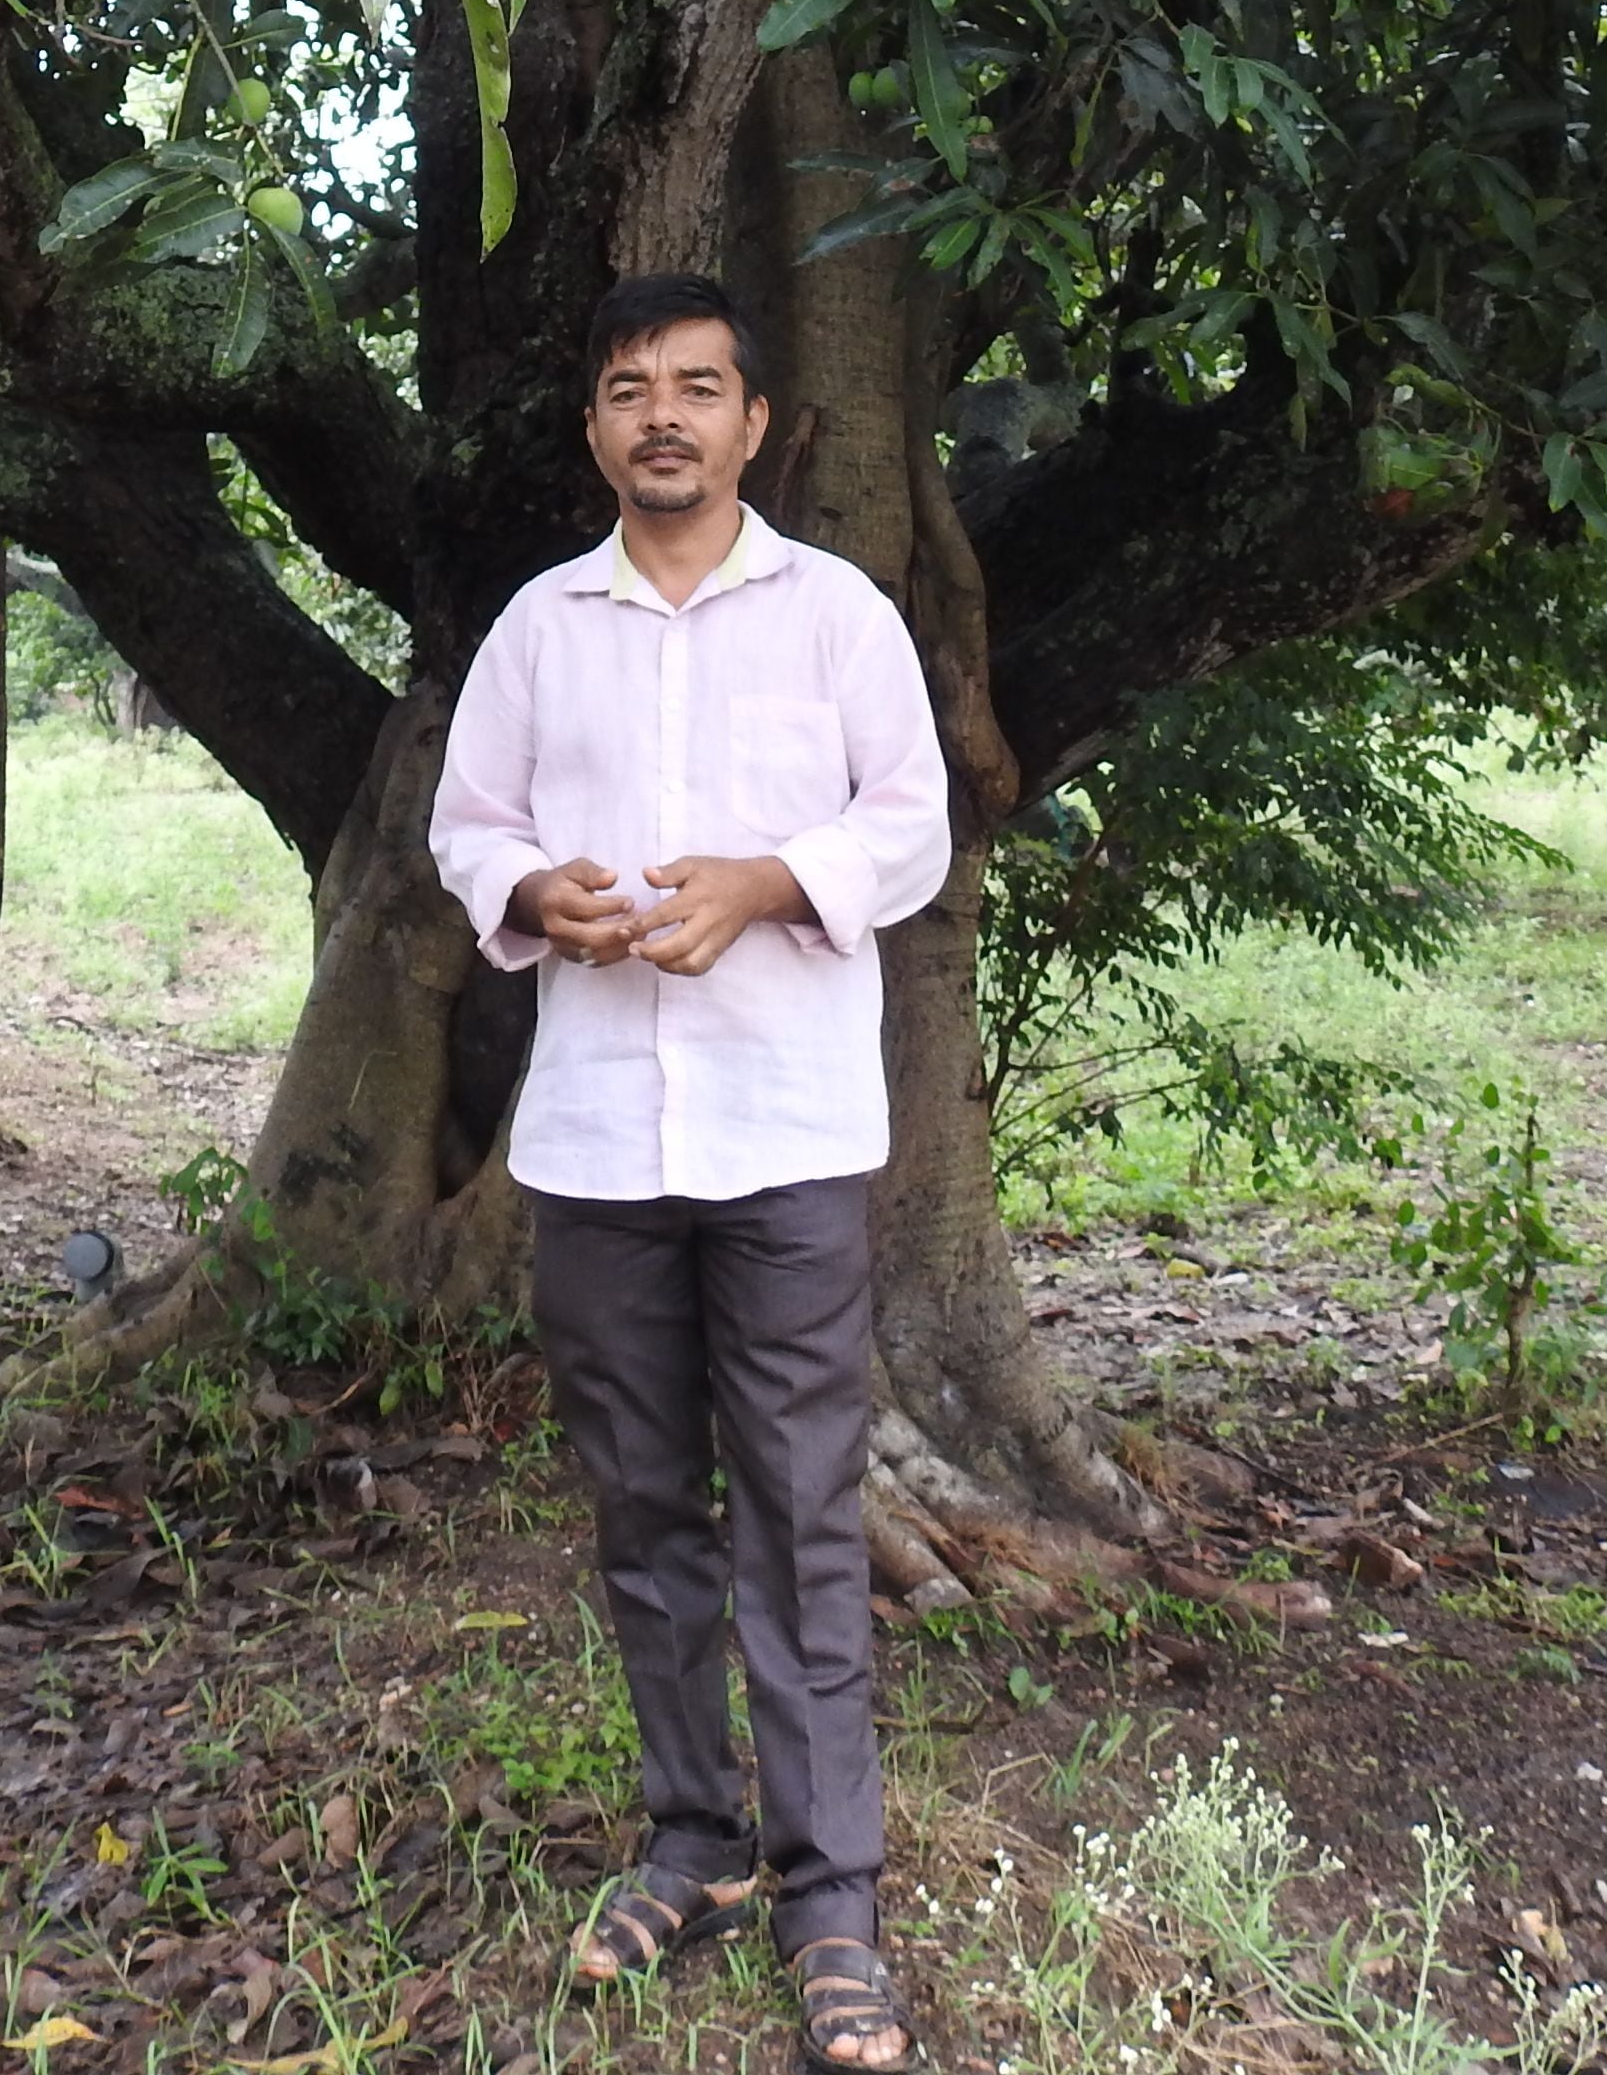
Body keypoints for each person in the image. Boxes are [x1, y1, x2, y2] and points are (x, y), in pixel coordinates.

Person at [429, 272, 952, 2075]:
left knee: (804, 1519)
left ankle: (832, 1903)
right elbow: (466, 820)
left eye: (699, 388)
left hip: (790, 1137)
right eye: (632, 388)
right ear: (597, 426)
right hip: (592, 1146)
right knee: (646, 1510)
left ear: (753, 424)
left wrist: (768, 883)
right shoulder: (539, 628)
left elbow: (911, 818)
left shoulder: (839, 616)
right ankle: (688, 1843)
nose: (664, 415)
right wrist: (527, 894)